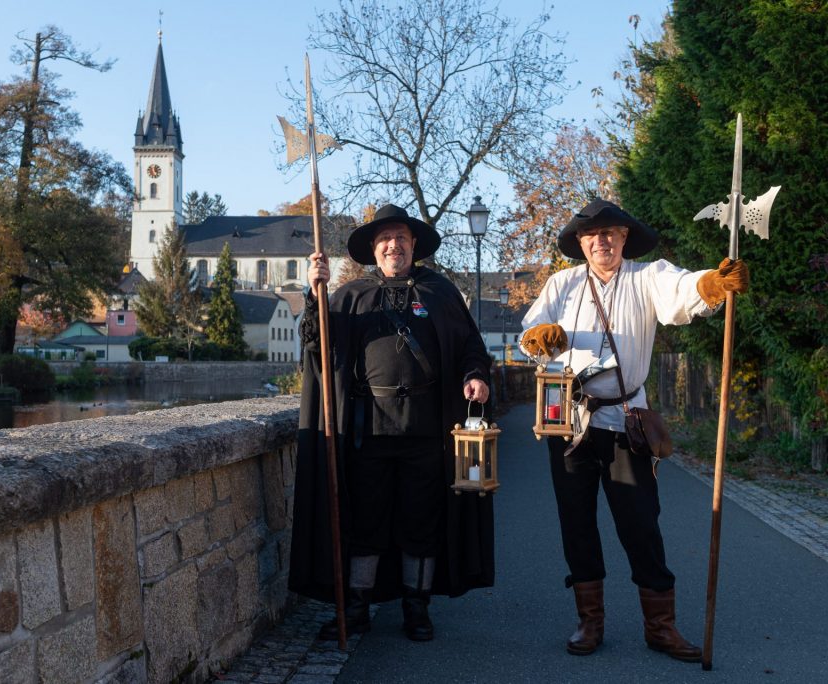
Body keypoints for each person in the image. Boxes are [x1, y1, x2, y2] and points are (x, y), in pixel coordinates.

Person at [520, 198, 749, 662]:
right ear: (580, 243)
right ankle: (590, 622)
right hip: (568, 423)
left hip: (626, 420)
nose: (601, 240)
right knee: (577, 525)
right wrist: (540, 337)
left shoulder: (647, 277)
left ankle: (660, 627)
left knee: (641, 525)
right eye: (592, 235)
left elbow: (685, 289)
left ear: (624, 238)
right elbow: (531, 331)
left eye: (610, 233)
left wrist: (712, 283)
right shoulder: (562, 284)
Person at [288, 204, 494, 642]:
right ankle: (358, 604)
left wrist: (475, 376)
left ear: (413, 244)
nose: (393, 245)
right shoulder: (349, 296)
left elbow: (471, 347)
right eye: (385, 239)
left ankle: (416, 606)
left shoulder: (440, 293)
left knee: (421, 521)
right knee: (366, 521)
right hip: (368, 432)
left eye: (400, 237)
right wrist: (315, 293)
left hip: (427, 431)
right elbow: (316, 345)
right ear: (372, 249)